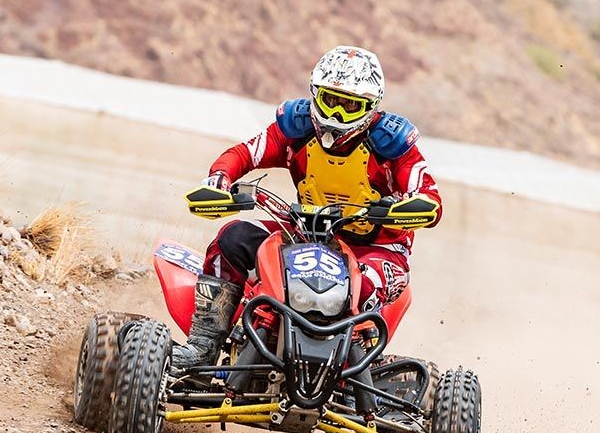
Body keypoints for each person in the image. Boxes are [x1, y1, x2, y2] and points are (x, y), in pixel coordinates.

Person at [172, 45, 443, 373]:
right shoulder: (296, 128)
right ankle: (203, 346)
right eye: (330, 100)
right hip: (305, 234)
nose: (337, 115)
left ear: (371, 108)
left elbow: (428, 194)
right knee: (232, 237)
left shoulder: (393, 144)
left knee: (361, 288)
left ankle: (354, 372)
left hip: (377, 248)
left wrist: (413, 205)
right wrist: (220, 178)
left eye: (350, 105)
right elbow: (245, 153)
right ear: (315, 94)